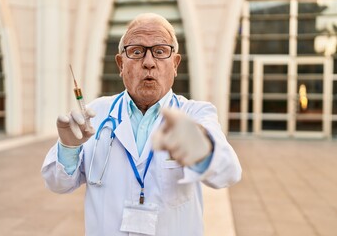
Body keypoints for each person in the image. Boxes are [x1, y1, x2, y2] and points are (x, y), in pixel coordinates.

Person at [41, 13, 242, 236]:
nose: (148, 63)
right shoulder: (96, 114)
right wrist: (68, 148)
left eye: (160, 51)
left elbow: (228, 173)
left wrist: (201, 148)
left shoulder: (195, 114)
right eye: (136, 52)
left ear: (175, 64)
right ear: (120, 64)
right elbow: (57, 184)